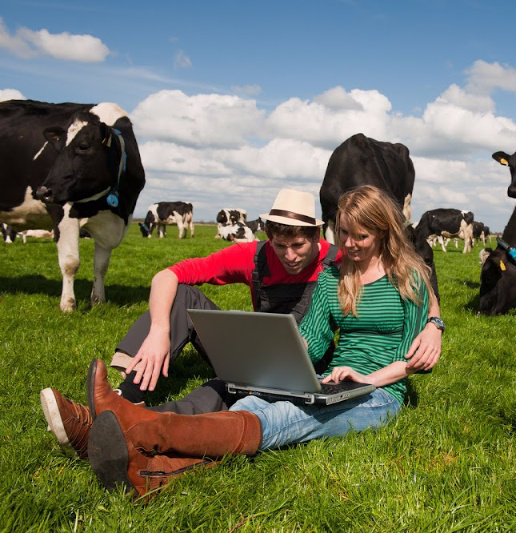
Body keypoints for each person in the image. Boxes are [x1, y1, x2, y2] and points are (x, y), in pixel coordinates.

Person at [63, 184, 438, 498]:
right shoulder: (333, 275)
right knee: (253, 401)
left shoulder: (409, 279)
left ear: (383, 232)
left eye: (362, 236)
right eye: (345, 234)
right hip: (330, 380)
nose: (351, 244)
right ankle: (149, 469)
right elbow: (313, 339)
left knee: (285, 417)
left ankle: (140, 429)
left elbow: (413, 362)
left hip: (382, 393)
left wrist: (374, 372)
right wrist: (280, 360)